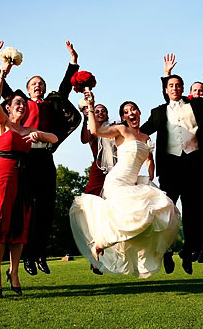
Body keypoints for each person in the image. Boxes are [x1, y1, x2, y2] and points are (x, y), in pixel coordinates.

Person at [0, 40, 81, 276]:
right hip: (26, 158)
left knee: (46, 206)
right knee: (27, 208)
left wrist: (73, 62)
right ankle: (26, 256)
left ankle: (40, 254)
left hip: (45, 156)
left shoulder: (51, 104)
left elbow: (65, 88)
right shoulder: (22, 104)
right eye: (33, 84)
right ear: (28, 90)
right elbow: (3, 91)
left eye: (41, 83)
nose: (38, 86)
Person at [140, 53, 203, 274]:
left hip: (194, 166)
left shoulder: (198, 105)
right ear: (166, 89)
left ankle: (189, 252)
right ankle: (166, 251)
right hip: (170, 168)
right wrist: (119, 133)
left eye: (178, 85)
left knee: (192, 213)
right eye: (171, 85)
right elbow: (142, 132)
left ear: (183, 89)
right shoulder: (158, 112)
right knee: (167, 211)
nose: (175, 88)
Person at [69, 95, 180, 278]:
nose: (131, 113)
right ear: (123, 117)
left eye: (133, 109)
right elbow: (95, 131)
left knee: (164, 207)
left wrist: (151, 171)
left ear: (139, 112)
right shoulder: (121, 130)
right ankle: (101, 243)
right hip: (117, 181)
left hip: (134, 182)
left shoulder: (146, 137)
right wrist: (90, 106)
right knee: (134, 214)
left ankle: (160, 252)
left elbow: (149, 159)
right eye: (126, 112)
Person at [0, 59, 58, 297]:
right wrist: (2, 75)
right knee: (0, 222)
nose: (22, 106)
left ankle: (14, 272)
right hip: (3, 176)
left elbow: (54, 138)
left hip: (23, 176)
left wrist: (39, 134)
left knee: (20, 225)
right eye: (18, 103)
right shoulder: (2, 124)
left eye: (24, 104)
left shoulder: (28, 130)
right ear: (9, 108)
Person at [80, 104, 117, 197]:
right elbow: (84, 140)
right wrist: (85, 119)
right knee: (93, 194)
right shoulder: (91, 133)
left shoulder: (113, 129)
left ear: (107, 115)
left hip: (115, 166)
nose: (100, 113)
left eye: (103, 111)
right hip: (98, 167)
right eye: (97, 111)